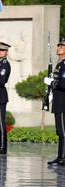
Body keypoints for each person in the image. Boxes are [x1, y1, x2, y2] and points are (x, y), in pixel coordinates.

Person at [45, 37, 65, 166]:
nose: (58, 48)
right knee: (59, 130)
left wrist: (53, 83)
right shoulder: (59, 64)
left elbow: (64, 84)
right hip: (58, 101)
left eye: (61, 46)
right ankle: (60, 156)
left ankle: (62, 158)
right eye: (58, 46)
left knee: (63, 131)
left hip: (63, 102)